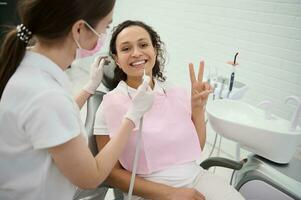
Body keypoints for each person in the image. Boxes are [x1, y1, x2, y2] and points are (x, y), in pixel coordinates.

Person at [0, 1, 154, 200]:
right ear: (80, 29)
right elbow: (91, 177)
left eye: (143, 44)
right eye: (106, 27)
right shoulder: (47, 96)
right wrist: (133, 116)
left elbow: (49, 123)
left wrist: (89, 87)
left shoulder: (27, 70)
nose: (104, 37)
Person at [94, 20, 245, 200]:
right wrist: (171, 193)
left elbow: (195, 147)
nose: (136, 53)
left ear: (155, 50)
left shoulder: (173, 91)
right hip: (148, 191)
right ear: (117, 59)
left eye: (143, 45)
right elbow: (111, 173)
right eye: (126, 49)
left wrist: (198, 109)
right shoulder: (109, 106)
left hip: (196, 177)